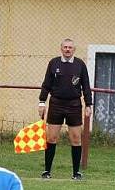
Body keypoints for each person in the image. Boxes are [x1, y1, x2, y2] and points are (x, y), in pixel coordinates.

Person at [38, 38, 93, 180]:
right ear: (61, 48)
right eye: (65, 47)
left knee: (76, 139)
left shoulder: (80, 65)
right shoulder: (53, 63)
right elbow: (46, 84)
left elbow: (86, 86)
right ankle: (47, 171)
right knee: (51, 138)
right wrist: (42, 102)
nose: (67, 49)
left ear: (74, 49)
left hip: (74, 105)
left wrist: (88, 104)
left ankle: (76, 173)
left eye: (70, 47)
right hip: (56, 104)